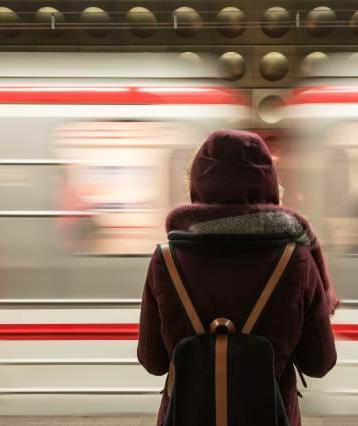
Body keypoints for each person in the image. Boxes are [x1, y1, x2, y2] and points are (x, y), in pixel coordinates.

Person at [137, 129, 338, 426]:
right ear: (269, 184)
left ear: (198, 184)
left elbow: (152, 361)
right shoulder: (296, 259)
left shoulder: (166, 260)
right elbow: (319, 363)